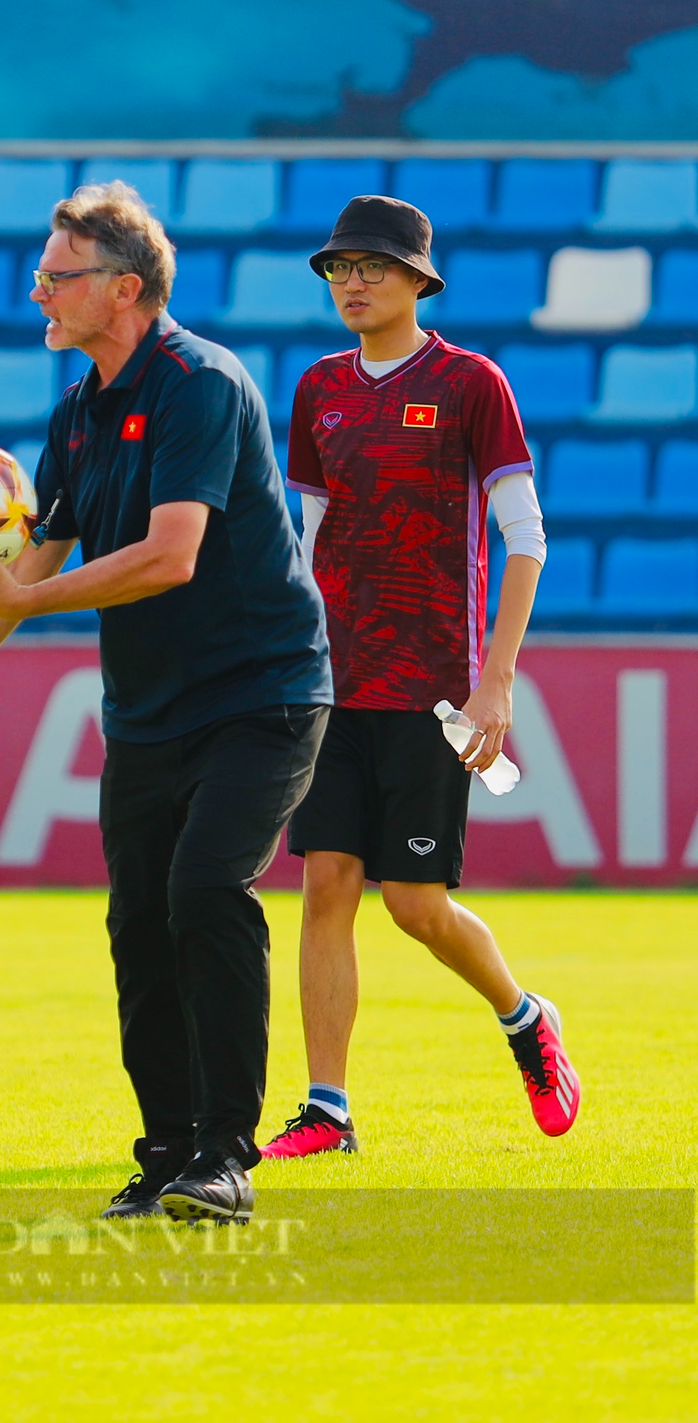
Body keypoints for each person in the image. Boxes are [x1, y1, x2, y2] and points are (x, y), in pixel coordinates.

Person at [0, 181, 330, 1227]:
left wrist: (21, 590)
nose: (36, 292)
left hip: (262, 693)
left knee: (205, 891)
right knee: (136, 926)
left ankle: (222, 1156)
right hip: (149, 713)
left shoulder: (198, 385)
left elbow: (168, 556)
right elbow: (18, 581)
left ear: (121, 290)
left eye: (54, 275)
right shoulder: (76, 414)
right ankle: (163, 1154)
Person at [261, 195, 580, 1158]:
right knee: (326, 887)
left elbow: (525, 540)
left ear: (416, 280)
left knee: (414, 906)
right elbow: (301, 540)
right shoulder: (319, 388)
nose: (351, 282)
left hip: (433, 688)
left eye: (371, 266)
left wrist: (497, 681)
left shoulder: (472, 382)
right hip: (331, 681)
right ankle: (328, 1111)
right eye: (338, 268)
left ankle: (525, 1018)